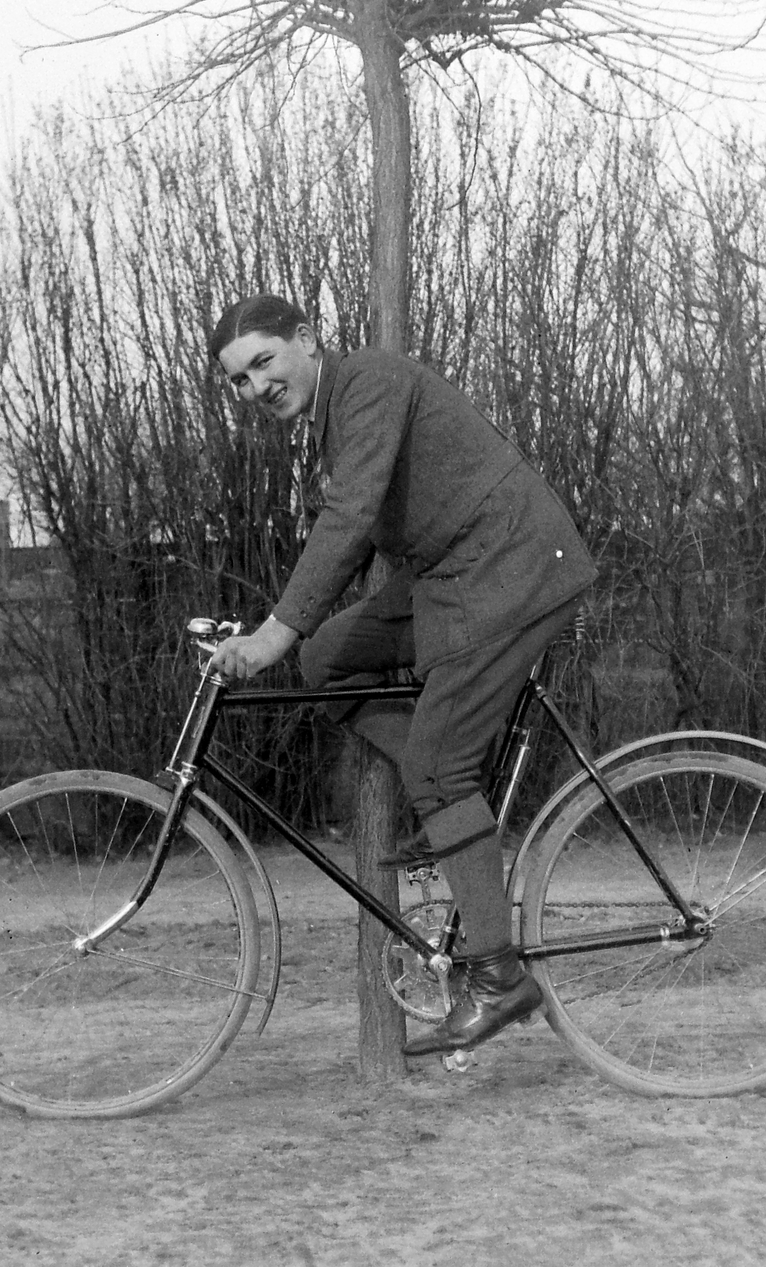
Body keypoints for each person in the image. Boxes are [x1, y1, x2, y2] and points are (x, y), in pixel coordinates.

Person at [207, 294, 597, 1057]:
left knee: (437, 768)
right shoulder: (337, 413)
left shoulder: (369, 383)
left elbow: (349, 518)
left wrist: (273, 633)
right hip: (456, 575)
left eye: (263, 362)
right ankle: (451, 805)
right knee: (327, 661)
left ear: (308, 341)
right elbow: (354, 529)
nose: (256, 388)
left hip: (509, 567)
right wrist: (299, 638)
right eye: (238, 381)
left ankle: (496, 978)